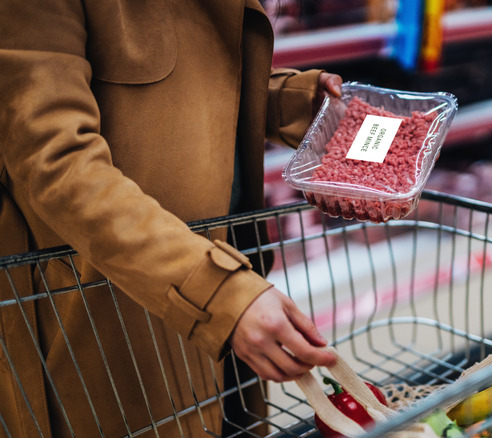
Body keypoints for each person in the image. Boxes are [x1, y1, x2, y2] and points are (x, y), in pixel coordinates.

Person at [0, 0, 342, 436]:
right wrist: (218, 292)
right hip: (110, 322)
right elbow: (55, 162)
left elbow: (176, 83)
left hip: (225, 289)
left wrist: (292, 103)